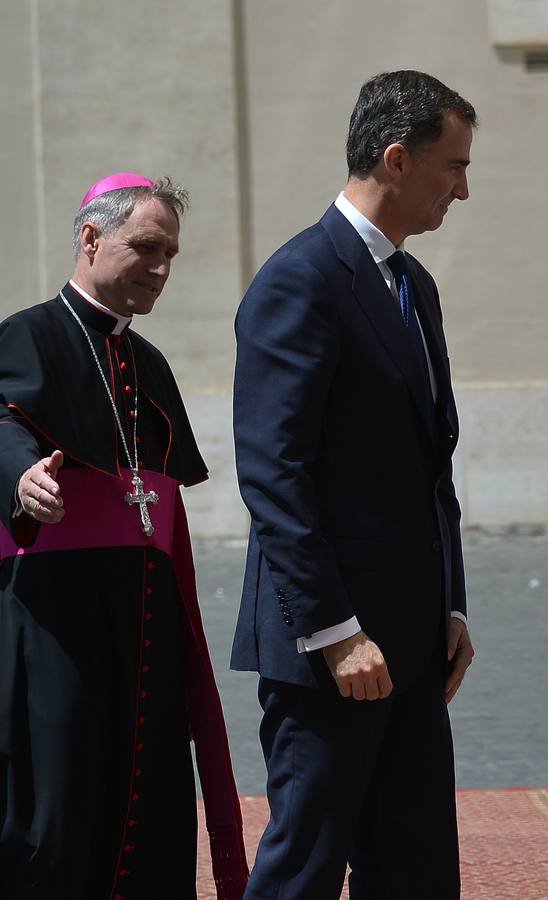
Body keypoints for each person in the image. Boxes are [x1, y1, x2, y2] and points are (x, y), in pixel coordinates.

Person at [232, 71, 476, 897]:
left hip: (410, 639)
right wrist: (336, 632)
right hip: (330, 646)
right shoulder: (301, 278)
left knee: (413, 866)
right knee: (306, 864)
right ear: (398, 159)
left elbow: (427, 464)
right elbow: (274, 475)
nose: (464, 189)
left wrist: (450, 602)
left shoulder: (413, 283)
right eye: (453, 166)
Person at [0, 175, 247, 898]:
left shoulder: (149, 364)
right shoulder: (28, 334)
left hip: (145, 629)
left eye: (171, 252)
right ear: (90, 238)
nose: (162, 267)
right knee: (59, 817)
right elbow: (3, 419)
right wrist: (21, 479)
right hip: (59, 627)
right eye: (146, 246)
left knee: (149, 810)